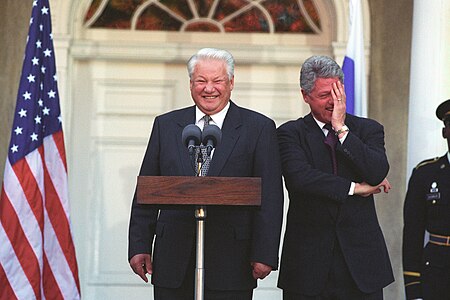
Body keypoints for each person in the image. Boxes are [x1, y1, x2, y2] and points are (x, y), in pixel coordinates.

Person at [128, 47, 284, 300]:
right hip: (173, 258)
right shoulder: (166, 125)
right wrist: (139, 245)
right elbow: (146, 190)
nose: (209, 88)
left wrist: (264, 253)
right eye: (201, 81)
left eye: (217, 80)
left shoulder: (259, 128)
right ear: (191, 84)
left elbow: (271, 197)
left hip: (232, 259)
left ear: (231, 83)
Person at [277, 55, 394, 300]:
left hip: (361, 266)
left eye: (337, 93)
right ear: (305, 95)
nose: (332, 102)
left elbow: (376, 171)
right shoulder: (290, 133)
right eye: (323, 96)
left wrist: (341, 129)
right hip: (308, 267)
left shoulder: (368, 130)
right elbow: (301, 178)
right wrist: (353, 188)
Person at [402, 99, 450, 300]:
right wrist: (413, 290)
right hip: (437, 275)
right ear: (445, 132)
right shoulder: (425, 174)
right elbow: (412, 234)